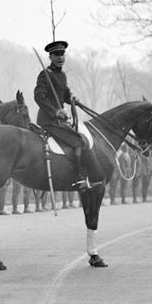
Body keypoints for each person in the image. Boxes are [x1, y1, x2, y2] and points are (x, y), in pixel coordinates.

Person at [33, 40, 97, 191]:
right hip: (48, 120)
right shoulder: (45, 74)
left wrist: (72, 98)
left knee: (80, 138)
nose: (60, 57)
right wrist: (55, 112)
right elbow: (39, 97)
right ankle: (79, 178)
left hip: (60, 120)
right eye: (56, 54)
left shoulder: (62, 75)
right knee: (79, 141)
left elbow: (64, 93)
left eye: (62, 54)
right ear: (50, 57)